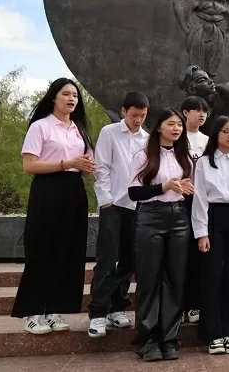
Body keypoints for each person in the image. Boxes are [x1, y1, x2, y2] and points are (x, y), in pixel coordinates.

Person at [12, 78, 95, 335]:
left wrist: (85, 167)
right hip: (47, 190)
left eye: (75, 95)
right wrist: (66, 162)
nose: (72, 99)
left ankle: (55, 309)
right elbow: (29, 166)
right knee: (42, 249)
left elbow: (85, 169)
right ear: (53, 97)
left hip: (74, 191)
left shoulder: (79, 129)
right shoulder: (41, 127)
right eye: (66, 94)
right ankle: (33, 312)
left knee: (67, 251)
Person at [127, 108, 194, 362]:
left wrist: (187, 188)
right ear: (158, 127)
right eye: (171, 124)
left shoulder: (186, 156)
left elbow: (189, 190)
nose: (176, 128)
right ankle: (147, 341)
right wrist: (163, 187)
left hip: (178, 217)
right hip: (150, 217)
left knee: (175, 279)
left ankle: (169, 339)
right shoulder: (143, 155)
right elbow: (134, 193)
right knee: (149, 279)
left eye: (179, 125)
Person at [88, 92, 150, 338]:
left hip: (137, 207)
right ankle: (98, 314)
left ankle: (118, 307)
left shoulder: (147, 139)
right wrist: (105, 200)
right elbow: (101, 167)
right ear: (124, 111)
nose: (138, 120)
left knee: (129, 259)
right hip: (113, 204)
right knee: (107, 259)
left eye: (143, 116)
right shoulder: (109, 132)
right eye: (134, 115)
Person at [192, 116, 229, 355]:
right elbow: (199, 199)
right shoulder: (205, 162)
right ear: (215, 133)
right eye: (226, 131)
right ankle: (213, 333)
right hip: (213, 217)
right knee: (212, 274)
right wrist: (201, 232)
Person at [182, 96, 210, 325]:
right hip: (179, 200)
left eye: (204, 112)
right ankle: (179, 304)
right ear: (185, 113)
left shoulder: (208, 141)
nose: (201, 115)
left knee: (198, 255)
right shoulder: (176, 137)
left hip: (200, 201)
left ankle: (195, 304)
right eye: (196, 110)